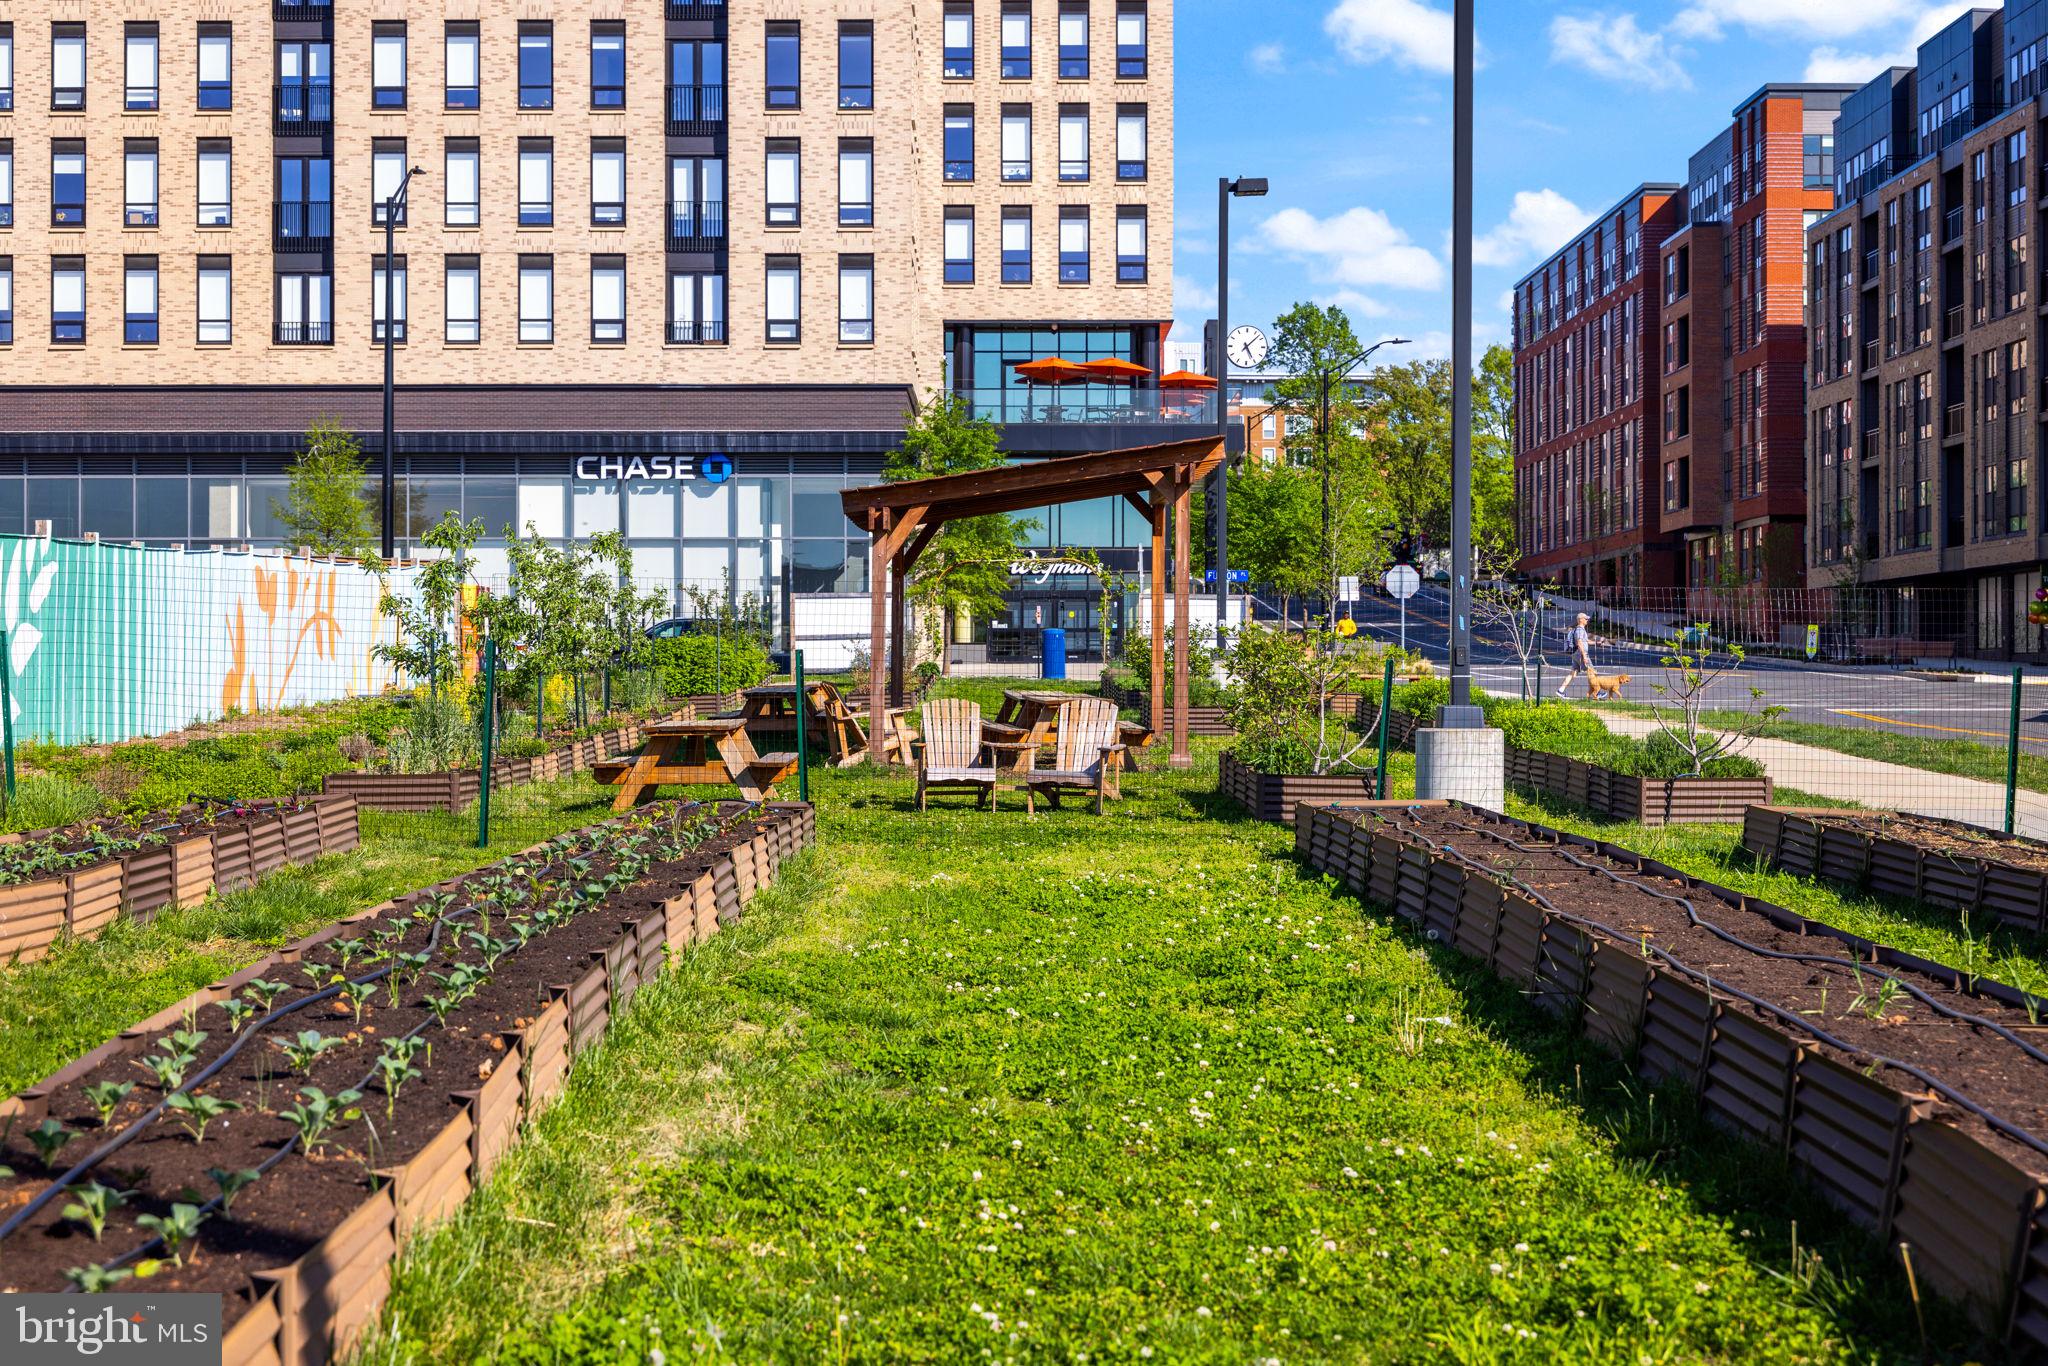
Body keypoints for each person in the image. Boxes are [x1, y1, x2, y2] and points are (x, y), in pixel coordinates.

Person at [1557, 612, 1595, 696]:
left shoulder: (1578, 630)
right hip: (1580, 654)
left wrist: (1597, 642)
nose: (1587, 620)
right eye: (1585, 618)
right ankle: (1597, 692)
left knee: (1573, 673)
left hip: (1575, 654)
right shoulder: (1580, 630)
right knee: (1591, 671)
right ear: (1580, 620)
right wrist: (1584, 656)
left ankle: (1560, 690)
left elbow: (1586, 641)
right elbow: (1579, 642)